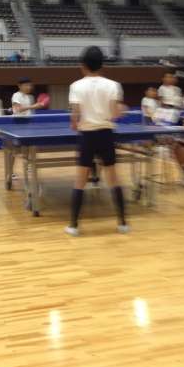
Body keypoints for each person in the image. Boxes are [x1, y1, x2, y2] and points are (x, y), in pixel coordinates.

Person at [65, 46, 129, 236]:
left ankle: (73, 226)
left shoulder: (76, 86)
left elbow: (75, 116)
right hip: (106, 134)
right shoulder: (113, 85)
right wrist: (121, 110)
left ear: (83, 65)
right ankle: (123, 224)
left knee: (80, 181)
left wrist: (74, 123)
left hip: (87, 136)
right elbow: (115, 114)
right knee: (113, 179)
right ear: (102, 65)